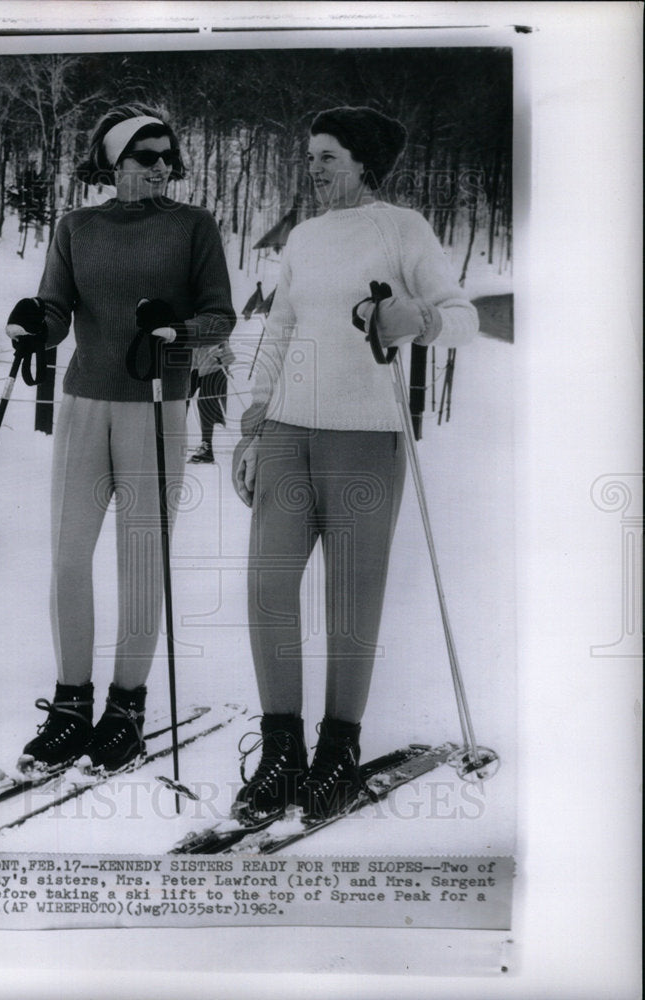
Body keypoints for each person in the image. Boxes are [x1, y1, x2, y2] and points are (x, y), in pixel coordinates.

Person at [231, 106, 478, 823]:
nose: (313, 168)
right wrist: (252, 426)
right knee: (267, 587)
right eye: (309, 156)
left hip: (365, 437)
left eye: (328, 157)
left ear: (363, 162)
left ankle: (336, 751)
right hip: (286, 432)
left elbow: (458, 313)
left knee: (350, 599)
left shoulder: (401, 228)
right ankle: (282, 754)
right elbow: (278, 328)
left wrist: (417, 321)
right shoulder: (304, 237)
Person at [5, 104, 235, 775]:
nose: (160, 166)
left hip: (156, 403)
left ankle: (126, 707)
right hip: (83, 403)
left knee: (140, 560)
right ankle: (71, 703)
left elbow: (217, 315)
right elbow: (54, 310)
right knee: (69, 555)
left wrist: (179, 330)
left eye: (166, 155)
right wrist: (32, 323)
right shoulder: (77, 226)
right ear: (113, 161)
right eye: (145, 155)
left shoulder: (193, 226)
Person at [187, 341, 235, 464]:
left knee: (205, 404)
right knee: (181, 400)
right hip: (196, 367)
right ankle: (170, 442)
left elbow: (229, 355)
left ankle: (207, 449)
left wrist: (220, 353)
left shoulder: (216, 327)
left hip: (214, 368)